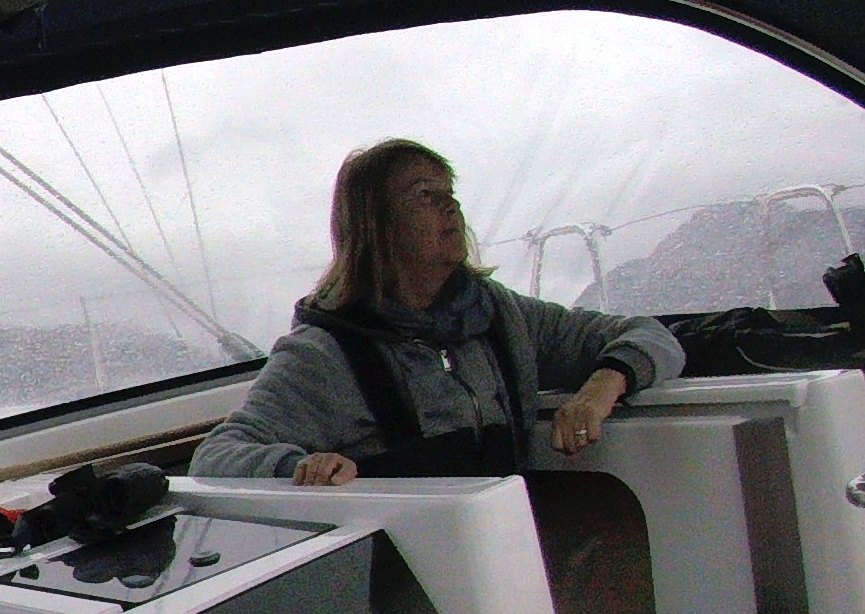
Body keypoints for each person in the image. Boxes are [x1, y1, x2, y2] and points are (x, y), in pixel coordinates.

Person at [193, 138, 683, 483]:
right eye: (425, 196)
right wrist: (298, 467)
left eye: (450, 194)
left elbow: (650, 334)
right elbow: (216, 456)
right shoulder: (323, 355)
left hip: (507, 539)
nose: (450, 208)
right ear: (376, 225)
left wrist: (602, 387)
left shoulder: (501, 316)